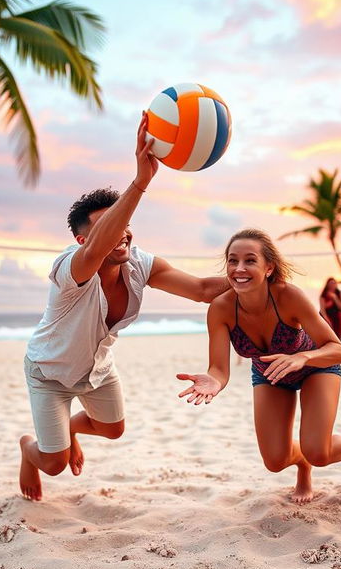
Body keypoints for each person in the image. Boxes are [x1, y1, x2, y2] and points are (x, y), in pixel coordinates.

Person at [19, 115, 229, 501]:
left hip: (95, 369)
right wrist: (141, 182)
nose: (123, 231)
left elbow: (201, 289)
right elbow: (98, 247)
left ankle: (69, 432)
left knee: (113, 429)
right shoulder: (72, 267)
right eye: (109, 226)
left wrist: (261, 276)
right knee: (54, 463)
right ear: (83, 239)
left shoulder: (139, 264)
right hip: (49, 372)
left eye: (124, 222)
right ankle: (29, 450)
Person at [176, 229, 341, 503]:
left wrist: (303, 357)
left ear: (269, 268)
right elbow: (219, 368)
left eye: (250, 260)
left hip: (316, 367)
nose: (239, 268)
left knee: (319, 453)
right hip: (270, 375)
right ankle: (303, 467)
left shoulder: (289, 296)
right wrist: (214, 381)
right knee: (275, 461)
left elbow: (337, 350)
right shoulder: (221, 308)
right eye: (233, 261)